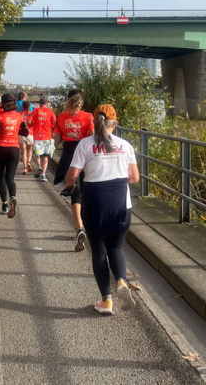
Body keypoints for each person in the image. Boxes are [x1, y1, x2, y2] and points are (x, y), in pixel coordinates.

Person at [62, 104, 139, 315]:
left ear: (94, 122)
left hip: (95, 205)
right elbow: (134, 178)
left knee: (98, 251)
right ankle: (122, 281)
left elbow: (72, 176)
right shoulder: (125, 145)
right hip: (121, 207)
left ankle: (107, 301)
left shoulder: (85, 144)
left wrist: (69, 187)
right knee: (116, 248)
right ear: (115, 123)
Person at [54, 89, 94, 252]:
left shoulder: (61, 117)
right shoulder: (88, 116)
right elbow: (92, 136)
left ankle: (79, 229)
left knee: (74, 193)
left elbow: (56, 141)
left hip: (69, 155)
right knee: (87, 191)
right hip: (85, 155)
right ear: (81, 102)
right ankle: (87, 226)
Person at [0, 94, 24, 218]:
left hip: (0, 148)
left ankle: (4, 204)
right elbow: (25, 131)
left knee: (0, 177)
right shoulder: (19, 116)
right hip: (14, 149)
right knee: (10, 178)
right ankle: (13, 197)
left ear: (2, 103)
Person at [29, 96, 57, 182]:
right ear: (47, 104)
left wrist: (34, 124)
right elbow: (54, 122)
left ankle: (39, 166)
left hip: (37, 136)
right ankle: (44, 175)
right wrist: (50, 127)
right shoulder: (50, 111)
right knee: (45, 156)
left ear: (39, 104)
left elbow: (29, 121)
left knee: (36, 154)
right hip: (47, 136)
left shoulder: (35, 111)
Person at [16, 92, 34, 175]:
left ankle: (25, 168)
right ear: (29, 107)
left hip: (21, 134)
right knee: (29, 149)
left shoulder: (19, 114)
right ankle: (29, 162)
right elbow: (34, 123)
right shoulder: (32, 114)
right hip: (30, 133)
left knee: (23, 151)